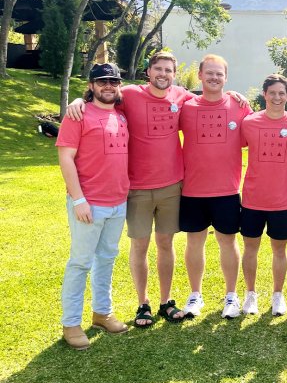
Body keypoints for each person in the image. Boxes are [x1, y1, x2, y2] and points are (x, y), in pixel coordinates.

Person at [65, 51, 248, 328]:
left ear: (174, 75)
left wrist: (235, 94)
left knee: (166, 244)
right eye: (158, 69)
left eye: (168, 70)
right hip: (137, 187)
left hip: (173, 186)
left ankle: (165, 302)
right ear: (148, 71)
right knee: (139, 246)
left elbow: (211, 96)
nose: (163, 74)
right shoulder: (129, 95)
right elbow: (104, 94)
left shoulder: (182, 97)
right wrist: (81, 99)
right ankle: (143, 304)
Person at [56, 63, 129, 350]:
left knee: (107, 258)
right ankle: (71, 323)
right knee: (80, 263)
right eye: (102, 81)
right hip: (89, 203)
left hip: (118, 202)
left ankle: (102, 312)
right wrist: (78, 199)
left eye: (113, 81)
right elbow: (65, 158)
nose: (108, 86)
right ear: (91, 85)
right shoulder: (79, 114)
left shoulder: (121, 115)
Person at [179, 55, 251, 319]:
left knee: (228, 242)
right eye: (209, 73)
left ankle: (231, 296)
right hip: (193, 190)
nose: (214, 78)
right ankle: (195, 295)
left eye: (219, 74)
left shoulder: (239, 106)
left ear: (226, 78)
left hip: (227, 190)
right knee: (194, 242)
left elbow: (264, 124)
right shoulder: (186, 107)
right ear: (199, 75)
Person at [239, 74, 287, 316]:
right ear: (264, 94)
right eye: (272, 93)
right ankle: (250, 294)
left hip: (282, 200)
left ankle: (278, 295)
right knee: (250, 248)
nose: (277, 97)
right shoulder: (249, 122)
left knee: (280, 250)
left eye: (281, 93)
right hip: (253, 198)